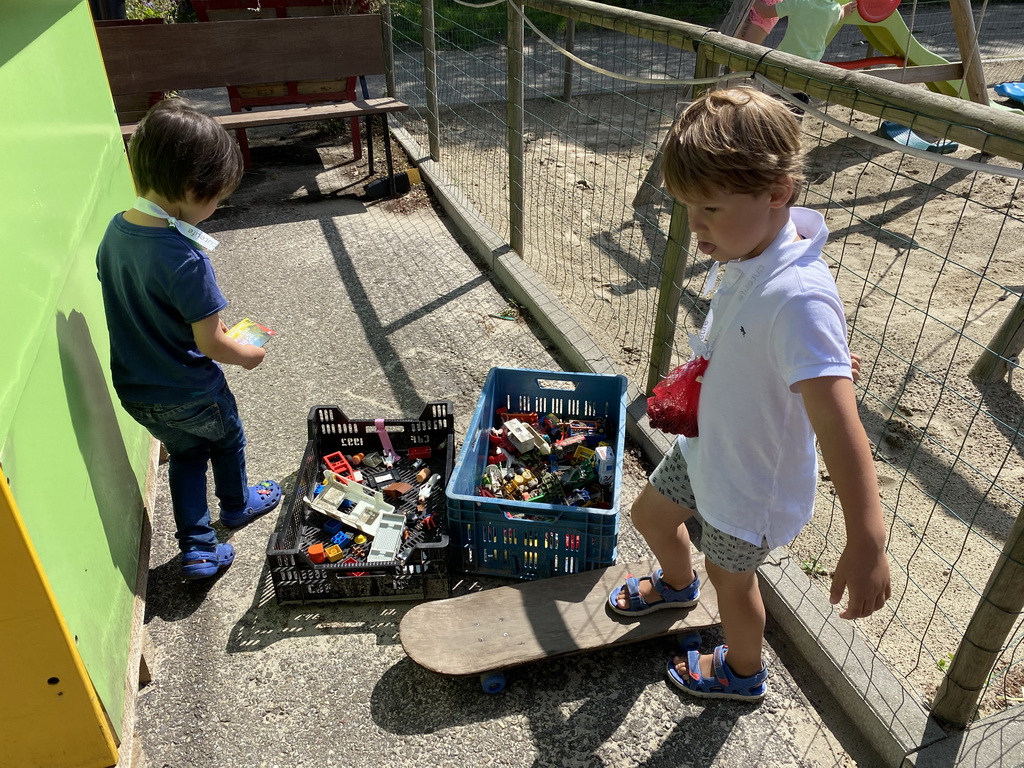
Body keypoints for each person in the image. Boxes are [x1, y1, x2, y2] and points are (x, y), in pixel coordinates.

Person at [610, 87, 891, 701]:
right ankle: (677, 587)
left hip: (749, 483)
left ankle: (742, 672)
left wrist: (867, 540)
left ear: (778, 193)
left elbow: (842, 431)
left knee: (731, 581)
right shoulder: (752, 248)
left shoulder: (798, 297)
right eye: (687, 207)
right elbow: (768, 349)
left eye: (709, 207)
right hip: (709, 448)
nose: (696, 225)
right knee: (649, 516)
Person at [96, 98, 282, 581]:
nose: (217, 209)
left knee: (185, 455)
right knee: (227, 439)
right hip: (192, 392)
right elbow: (213, 344)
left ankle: (198, 548)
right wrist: (250, 355)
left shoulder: (115, 234)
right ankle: (238, 505)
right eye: (216, 199)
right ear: (189, 189)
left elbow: (145, 307)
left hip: (138, 391)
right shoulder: (187, 260)